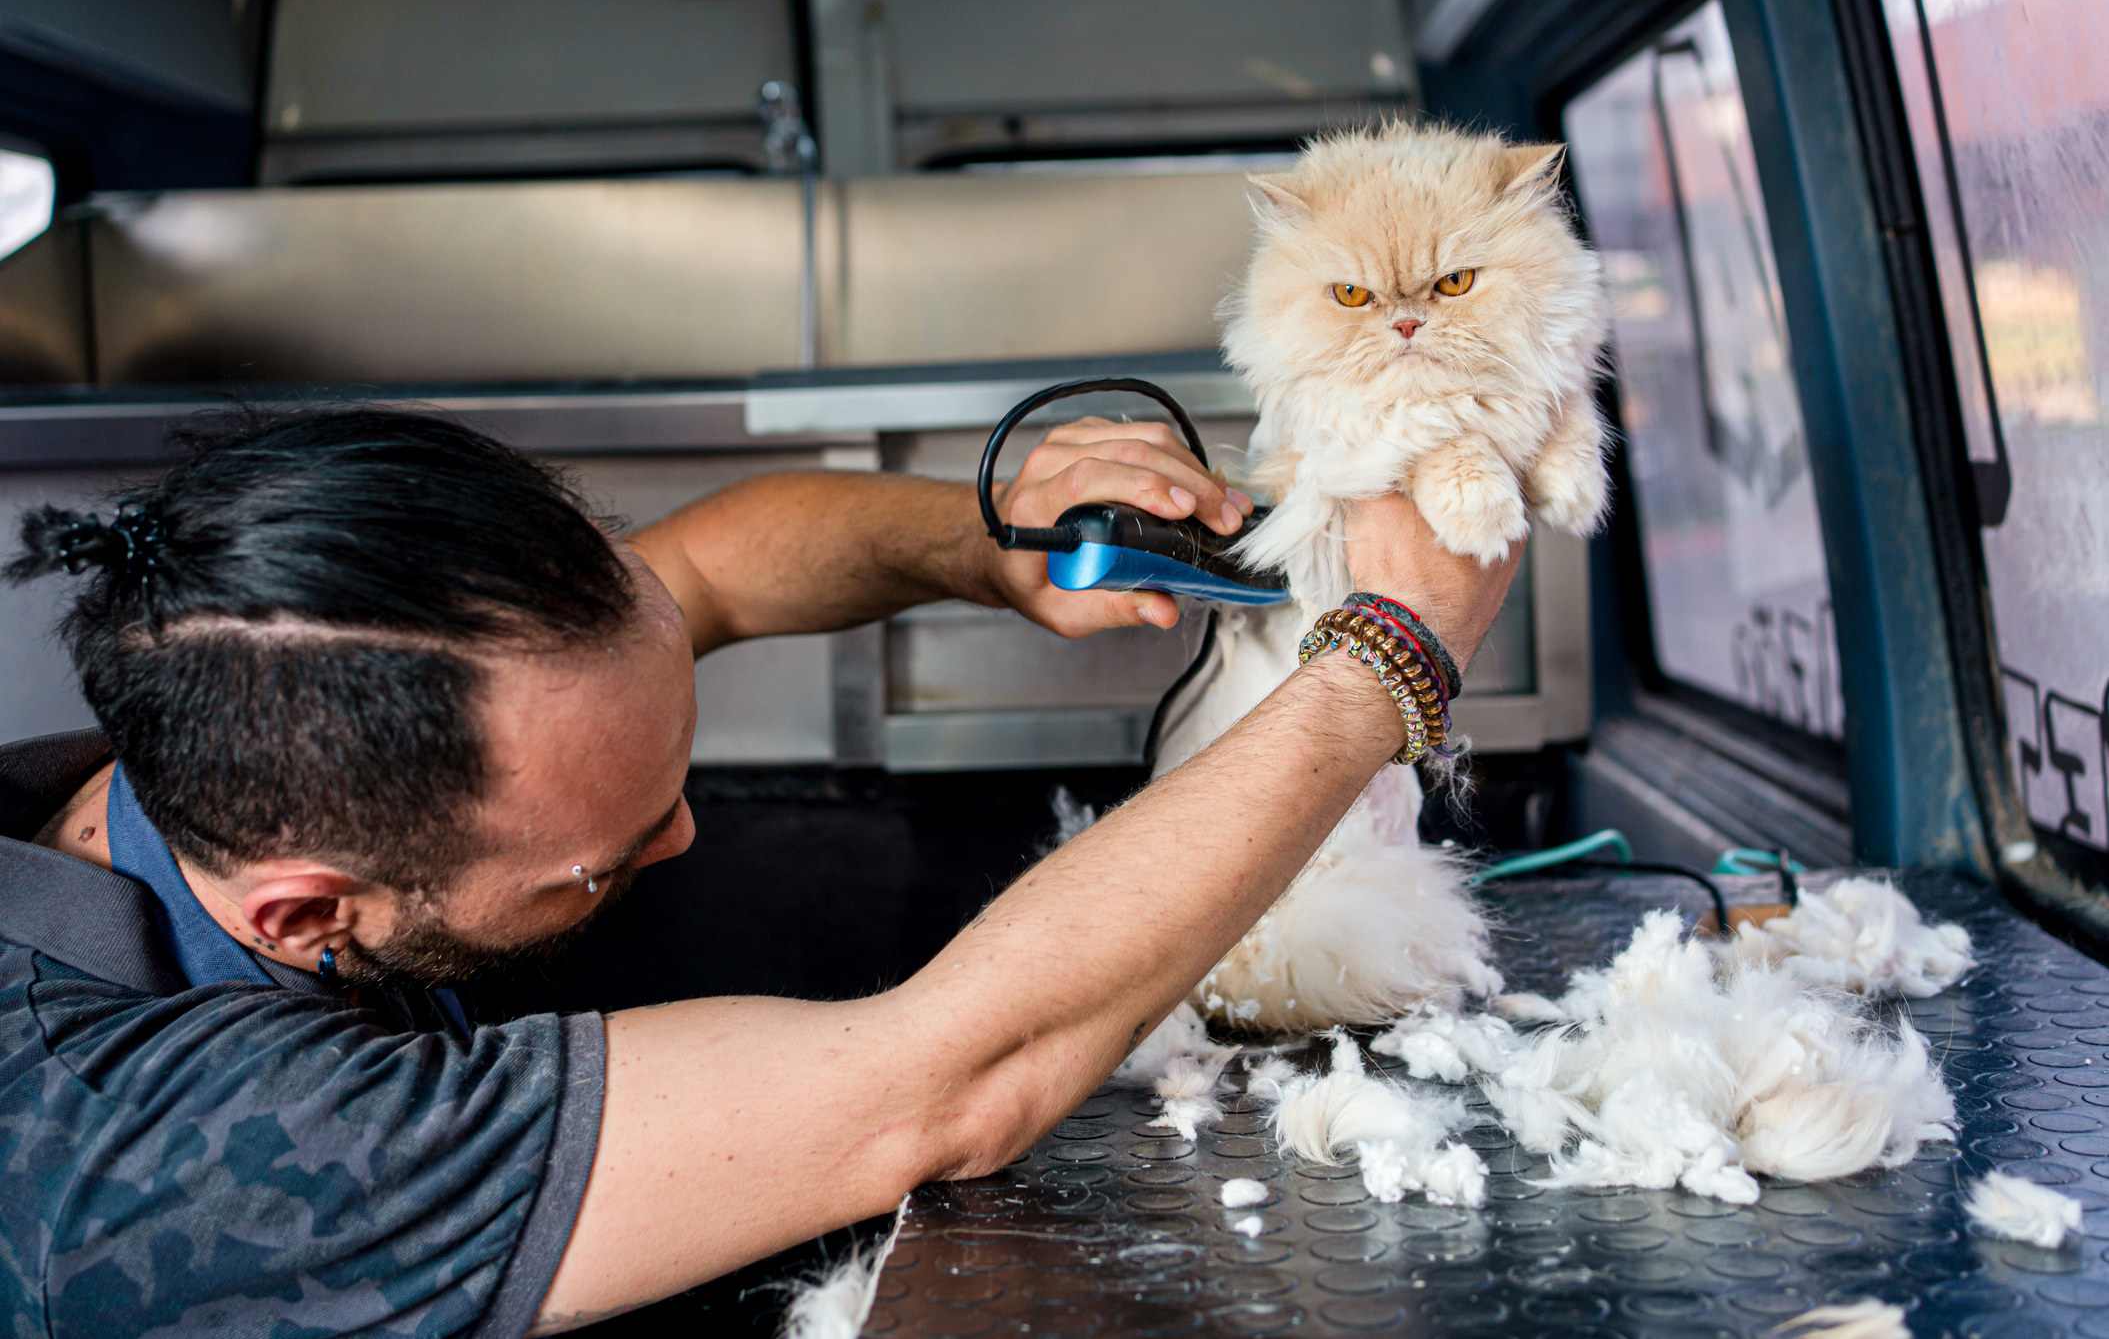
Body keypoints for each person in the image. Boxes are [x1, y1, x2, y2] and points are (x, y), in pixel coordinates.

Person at [0, 407, 1518, 1336]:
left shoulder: (257, 709)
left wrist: (988, 548)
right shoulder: (184, 1162)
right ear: (311, 912)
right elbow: (944, 1085)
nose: (682, 839)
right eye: (610, 851)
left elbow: (713, 566)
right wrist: (1391, 652)